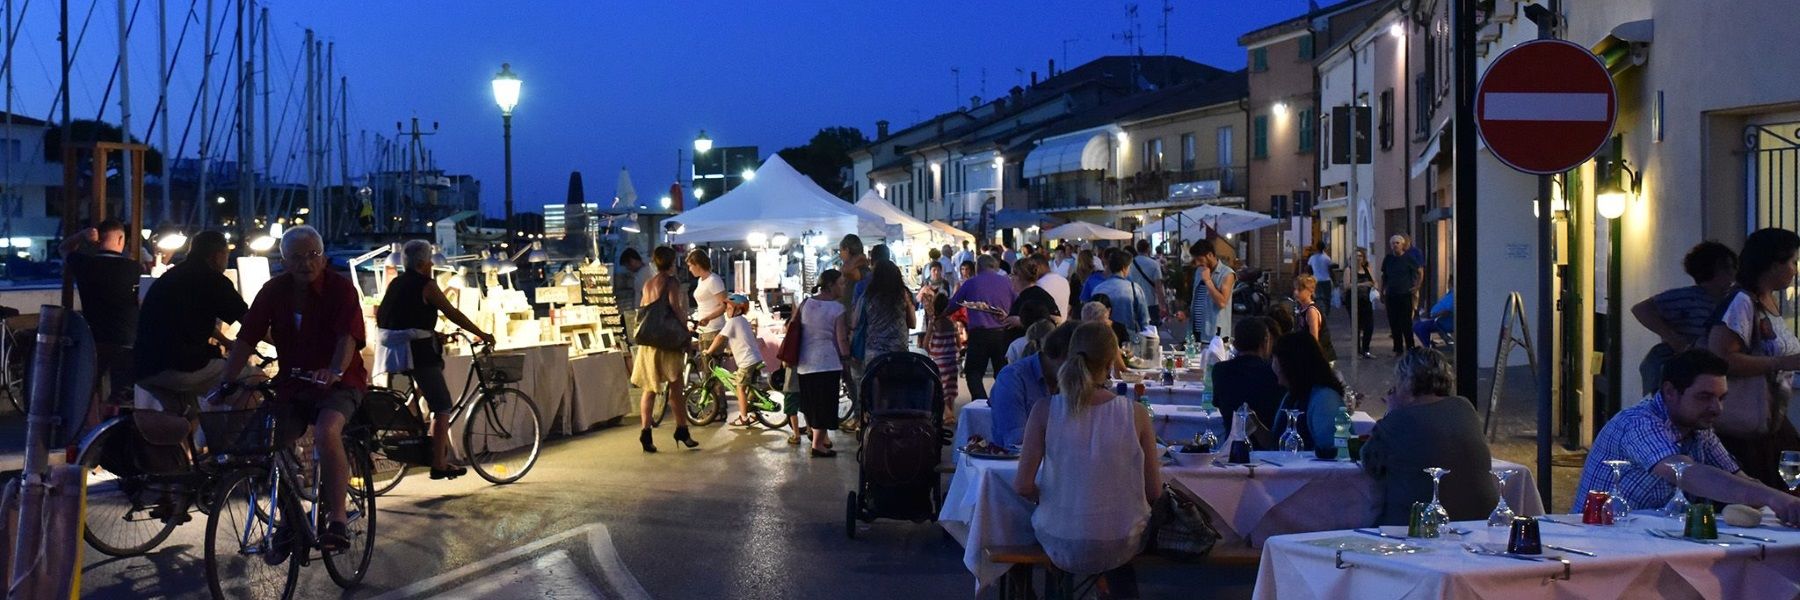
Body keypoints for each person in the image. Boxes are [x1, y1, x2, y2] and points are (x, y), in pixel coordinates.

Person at [217, 226, 364, 551]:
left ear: (323, 257)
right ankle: (288, 518)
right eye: (297, 257)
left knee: (327, 431)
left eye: (313, 255)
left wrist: (335, 370)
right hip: (293, 383)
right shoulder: (274, 291)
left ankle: (337, 519)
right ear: (283, 261)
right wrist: (226, 381)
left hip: (339, 383)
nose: (306, 263)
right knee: (263, 443)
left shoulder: (341, 290)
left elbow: (347, 338)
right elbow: (247, 337)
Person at [1573, 348, 1800, 524]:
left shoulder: (1699, 428)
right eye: (1705, 397)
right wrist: (1775, 498)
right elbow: (1688, 474)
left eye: (1721, 398)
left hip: (1651, 539)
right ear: (1670, 392)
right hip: (1603, 538)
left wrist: (1779, 500)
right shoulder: (1639, 423)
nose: (1717, 408)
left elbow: (1737, 479)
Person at [1014, 322, 1156, 590]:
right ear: (1112, 359)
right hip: (1122, 541)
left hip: (1059, 537)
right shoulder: (1135, 414)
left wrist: (1053, 495)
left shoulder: (1044, 410)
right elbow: (1153, 491)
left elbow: (1022, 485)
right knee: (1122, 544)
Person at [376, 240, 497, 479]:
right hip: (419, 354)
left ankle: (421, 438)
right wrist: (481, 334)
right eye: (430, 260)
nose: (432, 264)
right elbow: (452, 312)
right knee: (442, 406)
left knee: (425, 395)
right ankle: (439, 463)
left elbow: (403, 317)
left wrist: (436, 334)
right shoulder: (427, 285)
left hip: (395, 352)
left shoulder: (397, 283)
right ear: (422, 263)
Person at [1705, 227, 1800, 489]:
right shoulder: (1743, 302)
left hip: (1771, 415)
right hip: (1748, 419)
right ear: (1773, 263)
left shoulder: (1766, 300)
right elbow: (1721, 358)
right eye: (1793, 262)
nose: (1795, 269)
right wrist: (1783, 363)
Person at [1359, 348, 1498, 526]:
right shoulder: (1464, 407)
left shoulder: (1399, 420)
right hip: (1478, 522)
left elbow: (1370, 463)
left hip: (1417, 527)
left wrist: (1392, 412)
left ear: (1407, 382)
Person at [134, 231, 250, 417]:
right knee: (252, 381)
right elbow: (252, 323)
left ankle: (173, 445)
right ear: (217, 255)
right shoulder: (214, 280)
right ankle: (232, 444)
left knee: (184, 414)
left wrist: (227, 342)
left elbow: (184, 320)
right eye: (226, 255)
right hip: (180, 366)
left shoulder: (172, 276)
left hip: (144, 367)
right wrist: (284, 342)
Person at [62, 218, 144, 412]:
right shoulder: (134, 268)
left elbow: (64, 248)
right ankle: (112, 430)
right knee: (120, 395)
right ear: (121, 238)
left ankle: (92, 431)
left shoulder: (85, 265)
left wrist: (82, 235)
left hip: (92, 338)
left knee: (87, 390)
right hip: (126, 339)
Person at [1634, 241, 1737, 396]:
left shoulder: (1735, 301)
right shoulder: (1685, 297)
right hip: (1686, 373)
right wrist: (1673, 339)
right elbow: (1641, 309)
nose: (1732, 273)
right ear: (1709, 270)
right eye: (1726, 267)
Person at [631, 246, 700, 453]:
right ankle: (682, 430)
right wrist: (686, 330)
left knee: (650, 389)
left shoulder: (647, 284)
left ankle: (645, 433)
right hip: (667, 343)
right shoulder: (671, 282)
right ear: (672, 262)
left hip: (649, 344)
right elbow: (675, 308)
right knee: (675, 388)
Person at [990, 321, 1078, 449]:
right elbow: (1016, 441)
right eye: (1081, 365)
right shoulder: (1012, 378)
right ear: (1062, 356)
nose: (1085, 373)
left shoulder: (1070, 379)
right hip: (1015, 465)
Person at [944, 255, 1017, 400]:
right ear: (994, 266)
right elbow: (1017, 303)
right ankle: (1000, 401)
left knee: (973, 373)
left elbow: (953, 305)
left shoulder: (971, 283)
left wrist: (940, 314)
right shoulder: (1006, 282)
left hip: (979, 334)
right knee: (1002, 372)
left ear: (978, 267)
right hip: (1002, 333)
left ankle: (980, 402)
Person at [796, 269, 851, 457]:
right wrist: (846, 359)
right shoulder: (837, 308)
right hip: (827, 362)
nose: (843, 286)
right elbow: (841, 339)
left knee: (812, 402)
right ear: (831, 285)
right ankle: (817, 446)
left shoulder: (805, 303)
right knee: (824, 404)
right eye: (841, 283)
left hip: (804, 362)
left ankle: (821, 439)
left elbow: (793, 328)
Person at [1211, 317, 1284, 446]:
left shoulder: (1220, 371)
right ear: (1265, 342)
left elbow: (1217, 403)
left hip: (1232, 446)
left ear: (1235, 344)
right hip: (1268, 448)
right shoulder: (1274, 373)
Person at [1269, 332, 1345, 450]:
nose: (1273, 366)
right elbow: (1276, 443)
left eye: (1276, 360)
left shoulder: (1325, 399)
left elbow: (1335, 451)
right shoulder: (1293, 395)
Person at [703, 294, 765, 427]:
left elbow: (720, 338)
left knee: (740, 387)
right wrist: (730, 352)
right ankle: (754, 414)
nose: (726, 310)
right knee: (750, 387)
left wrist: (709, 351)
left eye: (729, 308)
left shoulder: (732, 322)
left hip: (747, 361)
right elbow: (742, 340)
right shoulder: (743, 321)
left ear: (738, 309)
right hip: (755, 358)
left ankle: (743, 417)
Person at [849, 259, 916, 364]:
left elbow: (854, 323)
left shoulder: (867, 296)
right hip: (899, 351)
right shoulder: (903, 295)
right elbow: (912, 323)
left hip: (874, 353)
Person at [1091, 248, 1151, 348]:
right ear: (1124, 268)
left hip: (1102, 340)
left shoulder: (1098, 289)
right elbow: (1144, 320)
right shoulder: (1134, 288)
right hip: (1129, 342)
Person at [1381, 234, 1424, 355]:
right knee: (1394, 322)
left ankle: (1410, 347)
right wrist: (1382, 291)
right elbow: (1384, 276)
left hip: (1404, 294)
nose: (1395, 245)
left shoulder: (1408, 258)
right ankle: (1398, 348)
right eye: (1393, 243)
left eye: (1397, 243)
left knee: (1406, 322)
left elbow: (1420, 271)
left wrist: (1416, 286)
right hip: (1391, 294)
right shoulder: (1388, 259)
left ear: (1402, 245)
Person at [926, 293, 963, 427]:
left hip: (938, 361)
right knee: (951, 389)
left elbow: (925, 343)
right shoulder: (952, 324)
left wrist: (933, 352)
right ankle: (951, 413)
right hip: (951, 361)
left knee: (941, 389)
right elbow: (959, 344)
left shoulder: (933, 324)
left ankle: (947, 415)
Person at [1187, 240, 1235, 343]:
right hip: (1195, 333)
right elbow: (1197, 299)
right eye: (1196, 260)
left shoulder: (1227, 274)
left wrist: (1208, 281)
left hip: (1214, 336)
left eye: (1200, 259)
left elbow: (1222, 303)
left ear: (1210, 254)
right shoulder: (1199, 271)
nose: (1198, 264)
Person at [687, 249, 728, 355]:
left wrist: (708, 318)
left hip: (714, 329)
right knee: (706, 365)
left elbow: (724, 305)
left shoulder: (714, 280)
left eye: (691, 265)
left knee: (711, 366)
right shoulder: (700, 280)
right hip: (704, 329)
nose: (689, 269)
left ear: (698, 265)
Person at [1006, 257, 1062, 334]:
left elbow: (1056, 319)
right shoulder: (1027, 294)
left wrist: (1021, 322)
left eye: (1012, 275)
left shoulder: (1037, 295)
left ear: (1019, 277)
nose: (1011, 278)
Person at [1293, 274, 1335, 362]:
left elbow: (1314, 339)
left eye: (1300, 289)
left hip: (1322, 357)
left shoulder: (1311, 311)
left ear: (1310, 291)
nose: (1296, 292)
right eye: (1295, 289)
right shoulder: (1302, 308)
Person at [1129, 239, 1166, 326]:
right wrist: (1162, 306)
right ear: (1148, 249)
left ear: (1137, 249)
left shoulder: (1131, 263)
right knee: (1152, 330)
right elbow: (1158, 286)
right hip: (1151, 302)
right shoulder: (1154, 264)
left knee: (1137, 328)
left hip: (1134, 300)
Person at [1348, 247, 1377, 358]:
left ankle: (1366, 349)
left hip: (1366, 300)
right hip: (1354, 301)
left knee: (1369, 326)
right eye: (1356, 256)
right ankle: (1357, 351)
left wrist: (1375, 286)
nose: (1358, 258)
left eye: (1360, 256)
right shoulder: (1349, 270)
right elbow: (1347, 286)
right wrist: (1362, 284)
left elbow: (1373, 281)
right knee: (1356, 326)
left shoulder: (1367, 269)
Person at [618, 248, 650, 345]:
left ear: (632, 261)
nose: (628, 269)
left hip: (646, 316)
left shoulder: (644, 274)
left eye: (627, 266)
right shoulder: (645, 271)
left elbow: (642, 296)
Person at [1033, 255, 1073, 323]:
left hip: (1046, 327)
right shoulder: (1064, 281)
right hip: (1062, 326)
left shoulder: (1038, 285)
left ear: (1038, 267)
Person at [1307, 242, 1334, 312]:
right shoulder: (1327, 258)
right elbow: (1330, 271)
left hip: (1316, 280)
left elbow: (1308, 269)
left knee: (1316, 297)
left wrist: (1310, 277)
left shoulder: (1312, 258)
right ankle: (1327, 312)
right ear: (1324, 248)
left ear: (1317, 248)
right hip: (1326, 280)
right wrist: (1334, 280)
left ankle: (1317, 311)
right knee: (1327, 298)